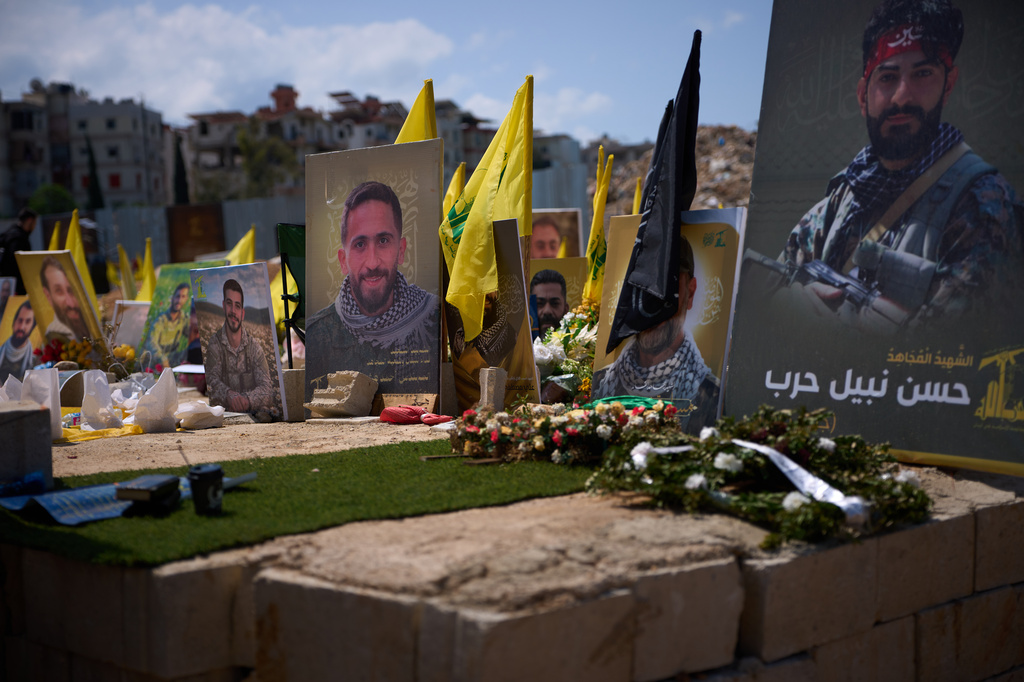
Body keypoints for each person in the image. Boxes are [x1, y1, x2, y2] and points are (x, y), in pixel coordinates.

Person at [781, 0, 1023, 330]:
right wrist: (788, 304)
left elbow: (963, 351)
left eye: (923, 74)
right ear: (862, 96)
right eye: (887, 76)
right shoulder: (843, 197)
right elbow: (772, 288)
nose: (901, 96)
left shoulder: (984, 205)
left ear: (948, 85)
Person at [305, 181, 439, 396]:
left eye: (383, 240)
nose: (372, 262)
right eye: (359, 244)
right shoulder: (319, 334)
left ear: (401, 250)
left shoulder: (432, 317)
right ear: (343, 260)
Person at [593, 235, 719, 435]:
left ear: (690, 292)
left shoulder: (710, 395)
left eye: (668, 289)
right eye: (642, 288)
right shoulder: (602, 382)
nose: (652, 306)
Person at [204, 278, 275, 414]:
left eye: (237, 306)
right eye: (229, 304)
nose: (233, 311)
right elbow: (211, 380)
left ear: (242, 313)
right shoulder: (215, 343)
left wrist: (246, 400)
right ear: (224, 306)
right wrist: (229, 394)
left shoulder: (255, 347)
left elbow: (267, 387)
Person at [39, 255, 90, 343]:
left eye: (71, 290)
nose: (71, 304)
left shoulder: (90, 324)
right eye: (59, 291)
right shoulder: (55, 336)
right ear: (48, 295)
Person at [145, 283, 191, 367]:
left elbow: (191, 334)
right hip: (156, 361)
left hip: (172, 358)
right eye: (177, 296)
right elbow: (151, 342)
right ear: (172, 298)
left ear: (186, 299)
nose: (179, 300)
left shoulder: (184, 318)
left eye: (183, 297)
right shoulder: (161, 320)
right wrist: (163, 359)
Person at [0, 208, 37, 295]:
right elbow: (18, 262)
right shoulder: (19, 238)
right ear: (29, 220)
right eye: (34, 223)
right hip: (15, 286)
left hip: (3, 282)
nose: (34, 226)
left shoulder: (8, 234)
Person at [0, 300, 36, 382]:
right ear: (14, 322)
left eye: (27, 322)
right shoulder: (1, 351)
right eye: (20, 320)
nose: (22, 327)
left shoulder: (34, 360)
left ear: (32, 326)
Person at [530, 269, 569, 338]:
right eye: (539, 303)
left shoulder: (580, 346)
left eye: (554, 303)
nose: (547, 311)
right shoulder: (517, 346)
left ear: (566, 309)